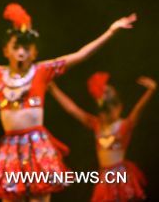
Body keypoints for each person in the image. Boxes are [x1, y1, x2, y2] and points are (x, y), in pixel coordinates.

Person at [0, 2, 136, 202]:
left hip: (37, 146)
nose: (21, 52)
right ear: (6, 50)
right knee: (11, 195)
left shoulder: (42, 71)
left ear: (34, 52)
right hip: (11, 147)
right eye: (16, 47)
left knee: (40, 196)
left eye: (26, 48)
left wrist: (111, 32)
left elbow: (80, 55)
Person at [48, 73, 154, 201]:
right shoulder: (97, 124)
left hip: (120, 175)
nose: (106, 115)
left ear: (119, 107)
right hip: (105, 176)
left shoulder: (124, 126)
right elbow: (73, 110)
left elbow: (138, 109)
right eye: (103, 112)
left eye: (110, 111)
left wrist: (150, 91)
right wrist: (53, 89)